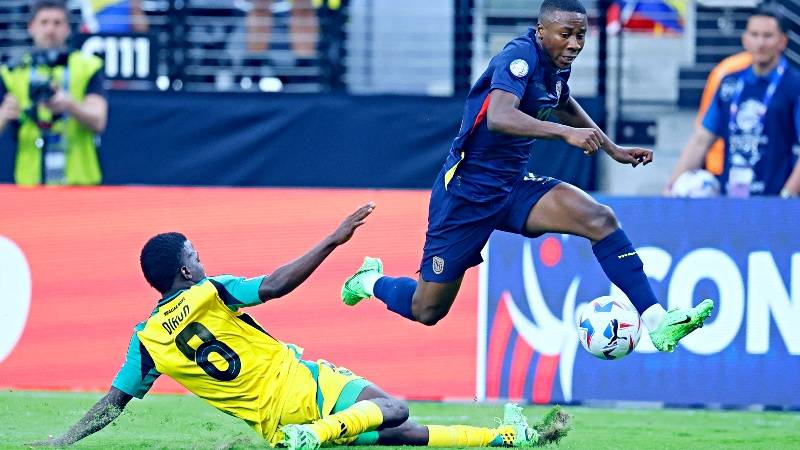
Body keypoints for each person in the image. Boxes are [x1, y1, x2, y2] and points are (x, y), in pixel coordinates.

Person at [32, 203, 572, 449]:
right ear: (183, 270)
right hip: (302, 388)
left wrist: (62, 442)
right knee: (395, 409)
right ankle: (313, 436)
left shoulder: (145, 341)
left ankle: (506, 436)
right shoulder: (209, 290)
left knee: (396, 434)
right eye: (195, 254)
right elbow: (275, 285)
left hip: (272, 426)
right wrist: (332, 241)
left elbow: (112, 404)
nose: (201, 258)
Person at [341, 0, 714, 352]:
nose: (574, 43)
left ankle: (657, 320)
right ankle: (369, 280)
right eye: (565, 34)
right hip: (467, 195)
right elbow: (499, 117)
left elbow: (561, 100)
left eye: (580, 35)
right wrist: (566, 134)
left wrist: (610, 147)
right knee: (427, 309)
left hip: (513, 186)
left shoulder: (556, 63)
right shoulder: (517, 57)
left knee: (599, 218)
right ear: (541, 30)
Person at [666, 3, 800, 198]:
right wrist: (670, 188)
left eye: (768, 36)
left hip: (774, 202)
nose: (760, 43)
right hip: (731, 201)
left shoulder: (794, 85)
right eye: (754, 35)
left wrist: (787, 196)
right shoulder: (730, 83)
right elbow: (701, 140)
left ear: (782, 41)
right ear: (744, 39)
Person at [0, 0, 108, 186]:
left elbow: (99, 120)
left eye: (57, 23)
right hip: (29, 184)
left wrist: (70, 105)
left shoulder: (87, 67)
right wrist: (4, 114)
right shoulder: (11, 72)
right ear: (31, 27)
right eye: (44, 22)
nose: (50, 30)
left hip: (79, 184)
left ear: (67, 28)